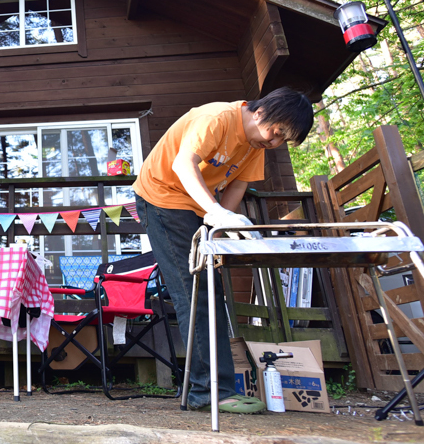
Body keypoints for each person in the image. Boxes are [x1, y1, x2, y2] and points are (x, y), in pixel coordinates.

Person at [133, 87, 313, 413]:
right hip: (162, 196)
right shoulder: (216, 117)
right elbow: (183, 164)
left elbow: (238, 185)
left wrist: (219, 227)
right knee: (195, 292)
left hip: (196, 207)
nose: (274, 143)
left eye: (282, 141)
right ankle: (209, 393)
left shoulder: (255, 144)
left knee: (211, 290)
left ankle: (217, 388)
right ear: (262, 112)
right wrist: (213, 212)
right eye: (276, 132)